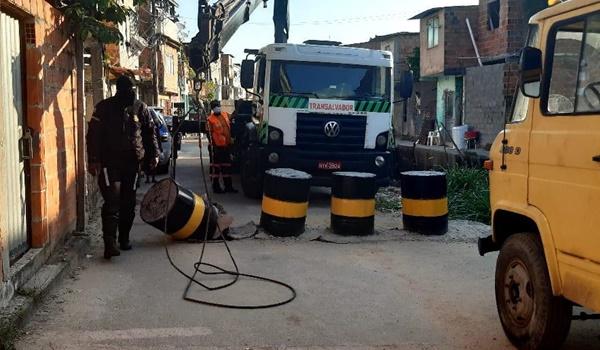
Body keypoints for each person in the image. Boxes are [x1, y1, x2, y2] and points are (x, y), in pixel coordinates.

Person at [87, 75, 160, 260]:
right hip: (109, 161)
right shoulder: (104, 107)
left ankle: (124, 238)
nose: (129, 93)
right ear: (118, 90)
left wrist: (154, 155)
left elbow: (149, 133)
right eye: (126, 90)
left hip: (132, 162)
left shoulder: (140, 108)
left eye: (131, 90)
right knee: (112, 199)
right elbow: (93, 135)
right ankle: (109, 243)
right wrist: (93, 159)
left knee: (128, 202)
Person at [207, 100, 238, 194]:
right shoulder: (210, 119)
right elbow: (209, 134)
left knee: (226, 167)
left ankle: (228, 187)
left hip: (226, 146)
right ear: (212, 108)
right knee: (216, 168)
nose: (217, 107)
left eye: (218, 105)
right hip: (216, 147)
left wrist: (238, 108)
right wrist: (214, 147)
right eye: (215, 106)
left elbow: (232, 117)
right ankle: (216, 187)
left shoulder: (225, 115)